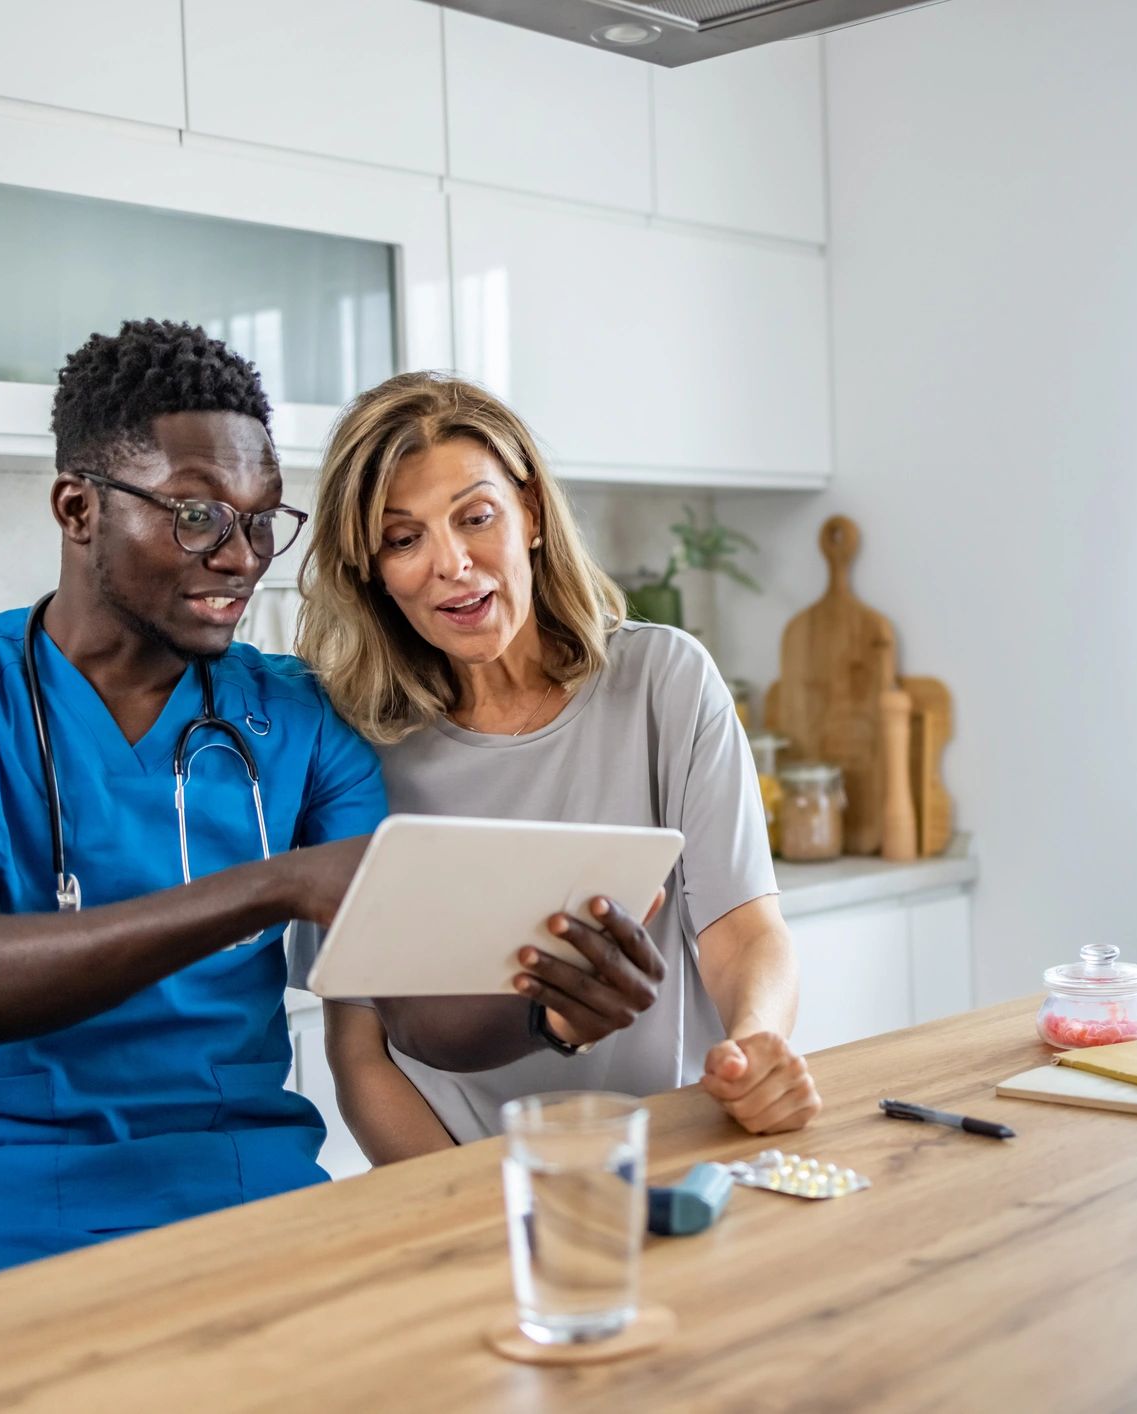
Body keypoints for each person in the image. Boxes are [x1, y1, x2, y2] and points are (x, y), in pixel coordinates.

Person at [0, 321, 664, 1298]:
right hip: (1, 1209)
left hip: (248, 1197)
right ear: (77, 507)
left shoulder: (301, 716)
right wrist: (276, 886)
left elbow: (417, 1015)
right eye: (197, 515)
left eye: (262, 519)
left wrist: (545, 1008)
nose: (239, 555)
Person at [294, 372, 821, 1156]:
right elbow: (360, 1050)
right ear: (370, 568)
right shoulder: (352, 745)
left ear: (530, 513)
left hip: (666, 1150)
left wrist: (755, 1050)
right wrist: (466, 1210)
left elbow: (745, 934)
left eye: (476, 517)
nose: (453, 564)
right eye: (404, 538)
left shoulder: (663, 683)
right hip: (462, 1181)